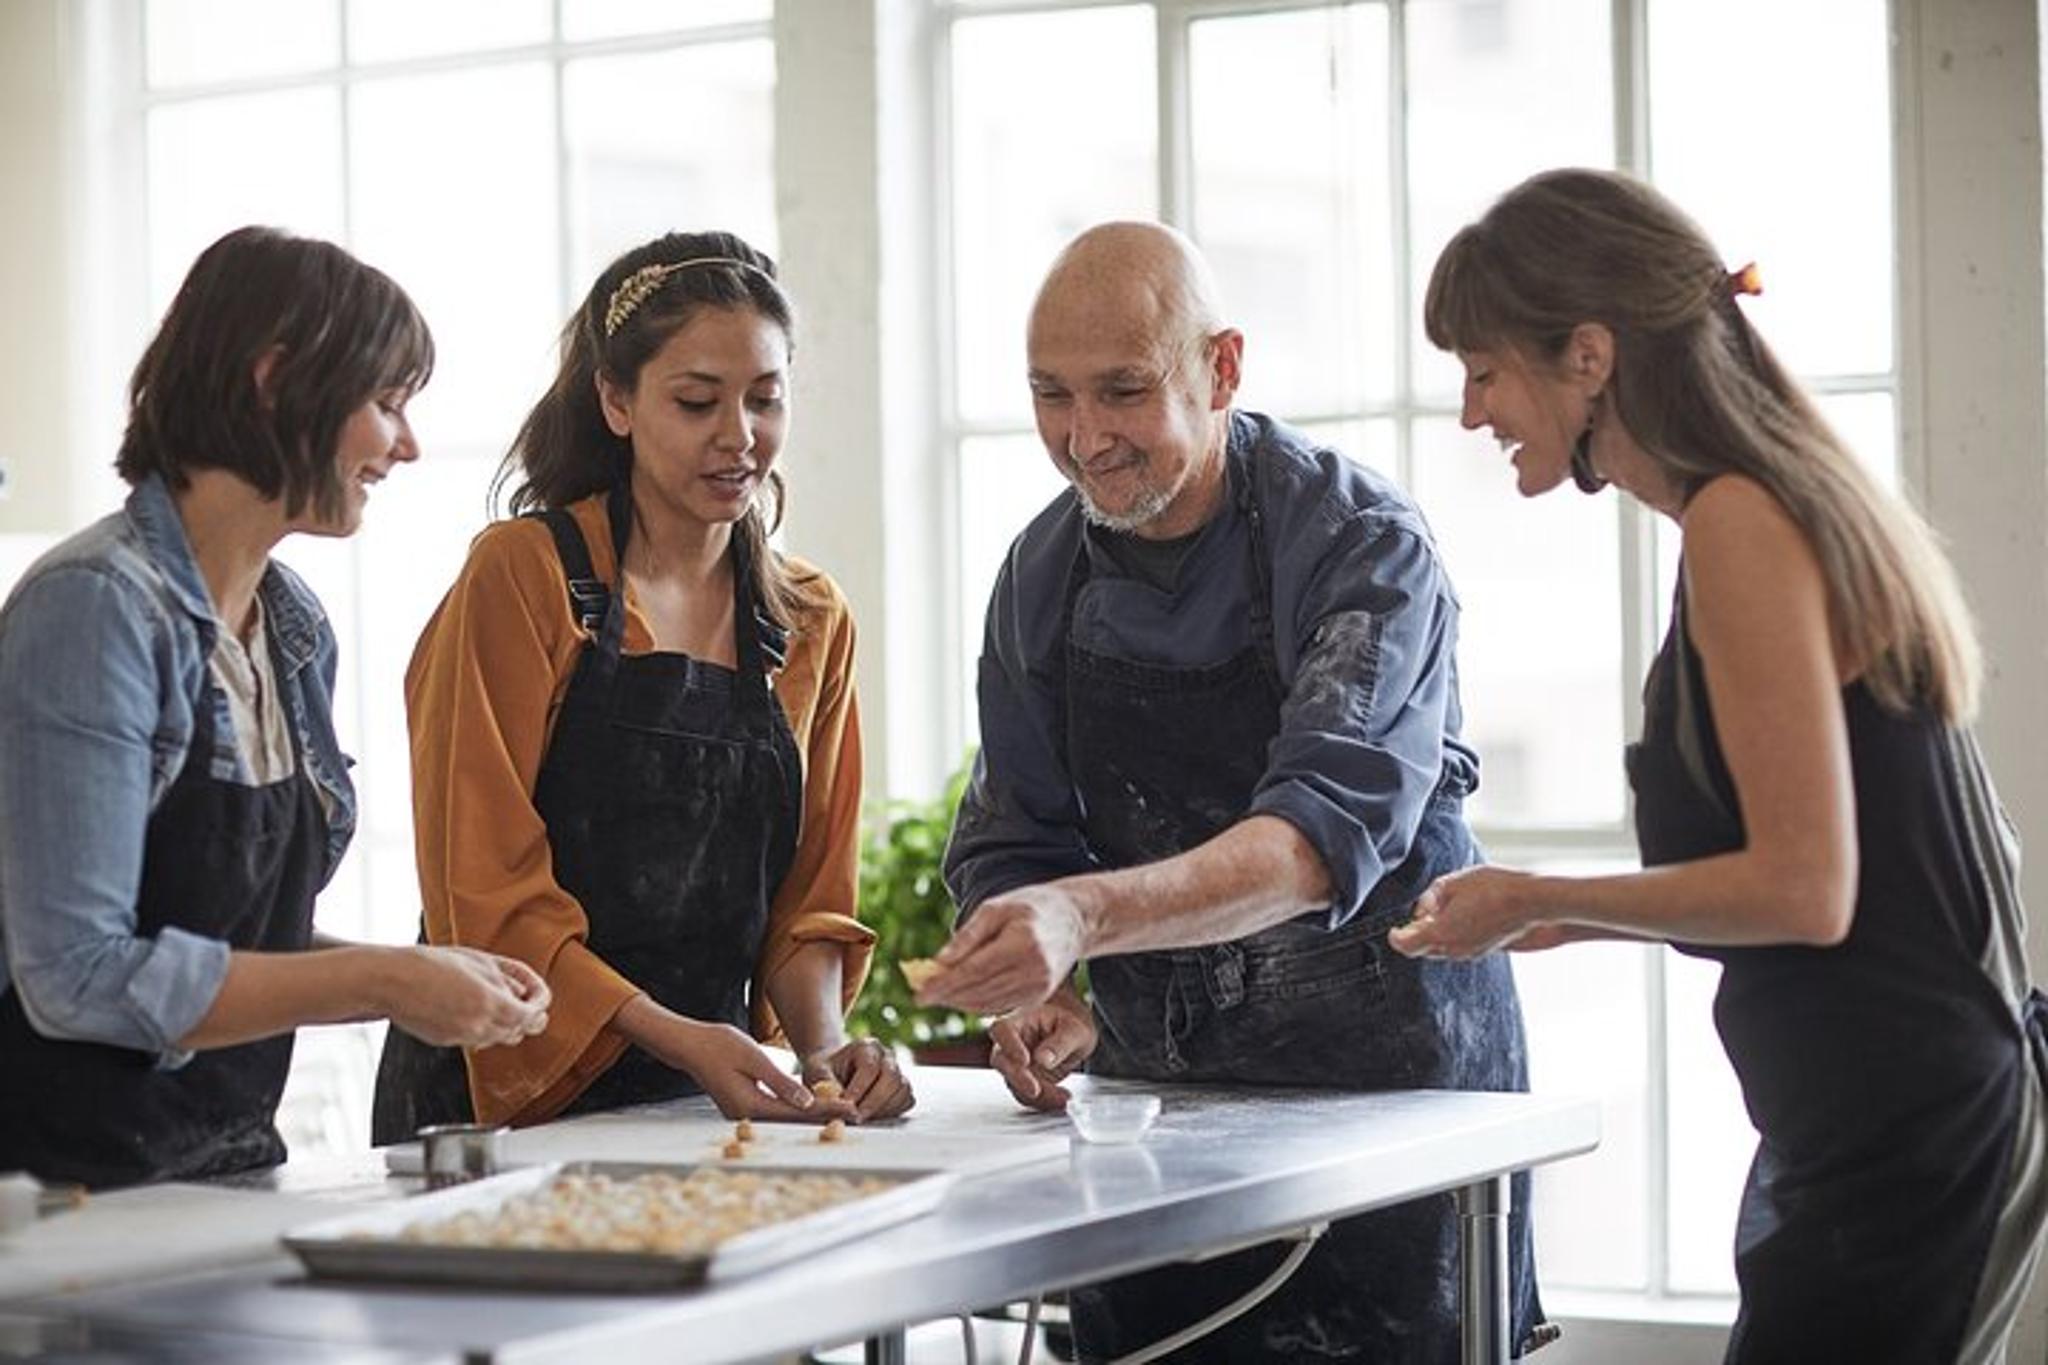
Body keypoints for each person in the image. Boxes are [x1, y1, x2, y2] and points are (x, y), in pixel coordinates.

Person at [1397, 167, 2048, 1363]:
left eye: (1483, 369)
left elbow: (1804, 891)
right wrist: (1557, 922)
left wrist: (1542, 897)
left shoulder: (1739, 522)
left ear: (1587, 356)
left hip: (1905, 1139)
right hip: (1881, 1125)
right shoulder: (1754, 510)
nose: (1470, 412)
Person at [924, 221, 1544, 1362]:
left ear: (1221, 369)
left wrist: (1084, 917)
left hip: (1389, 1112)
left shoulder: (1360, 544)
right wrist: (1038, 985)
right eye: (1049, 396)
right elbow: (1014, 832)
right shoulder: (1039, 574)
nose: (1082, 438)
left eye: (1121, 391)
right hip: (1160, 1131)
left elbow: (1316, 839)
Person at [0, 227, 551, 1190]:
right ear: (272, 379)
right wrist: (381, 981)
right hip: (63, 1198)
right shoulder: (93, 609)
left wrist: (420, 978)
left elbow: (243, 942)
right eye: (387, 403)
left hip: (225, 1176)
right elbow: (78, 975)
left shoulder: (292, 627)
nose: (407, 445)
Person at [371, 231, 910, 1141]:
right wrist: (678, 1038)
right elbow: (485, 893)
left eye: (766, 400)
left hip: (708, 1105)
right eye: (697, 401)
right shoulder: (523, 577)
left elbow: (807, 903)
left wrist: (825, 1054)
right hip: (500, 1101)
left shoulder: (814, 619)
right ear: (616, 402)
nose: (739, 437)